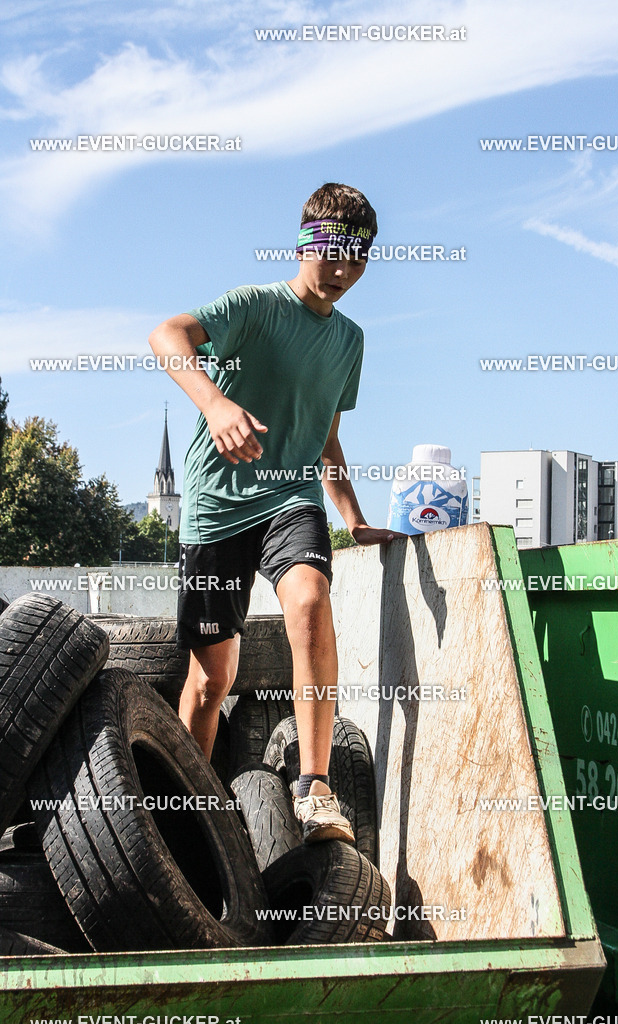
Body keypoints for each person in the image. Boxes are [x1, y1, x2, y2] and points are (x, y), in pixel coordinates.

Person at [148, 182, 396, 844]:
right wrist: (215, 405)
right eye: (333, 255)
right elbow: (165, 333)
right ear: (304, 244)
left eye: (360, 259)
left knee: (310, 600)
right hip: (216, 504)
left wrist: (351, 516)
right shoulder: (254, 306)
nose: (344, 273)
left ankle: (314, 787)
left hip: (291, 496)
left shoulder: (349, 340)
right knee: (211, 681)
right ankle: (185, 816)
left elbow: (324, 436)